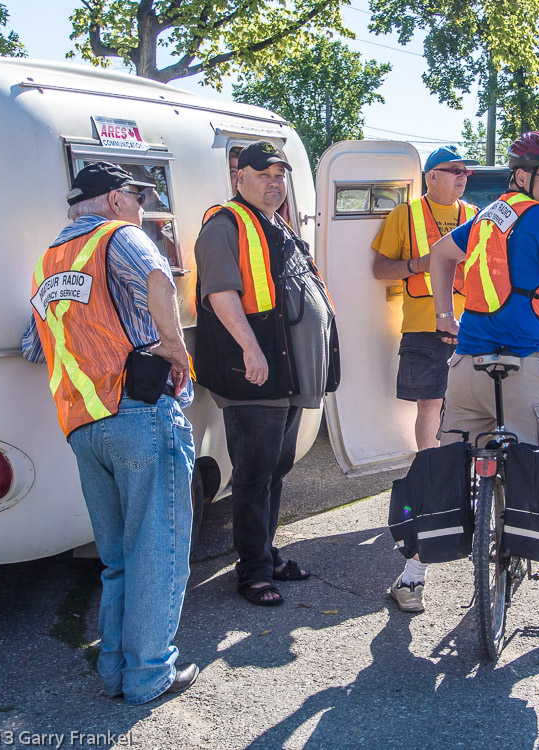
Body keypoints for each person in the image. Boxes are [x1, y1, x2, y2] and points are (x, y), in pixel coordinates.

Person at [389, 131, 539, 626]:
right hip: (522, 368)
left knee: (447, 467)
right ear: (522, 175)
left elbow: (441, 256)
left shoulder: (490, 215)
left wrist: (445, 315)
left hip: (467, 365)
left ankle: (411, 578)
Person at [22, 161, 199, 703]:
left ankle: (116, 671)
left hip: (82, 427)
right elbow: (158, 277)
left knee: (120, 558)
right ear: (115, 200)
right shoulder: (118, 236)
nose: (142, 207)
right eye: (138, 197)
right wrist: (173, 345)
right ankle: (149, 676)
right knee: (159, 548)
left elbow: (32, 346)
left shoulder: (45, 265)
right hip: (138, 413)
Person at [194, 141, 339, 606]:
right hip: (253, 373)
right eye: (264, 175)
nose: (275, 184)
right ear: (240, 178)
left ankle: (266, 553)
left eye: (280, 176)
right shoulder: (224, 226)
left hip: (286, 375)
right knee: (255, 475)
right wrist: (252, 350)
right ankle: (252, 572)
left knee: (276, 468)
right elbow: (221, 295)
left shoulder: (277, 225)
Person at [371, 146, 478, 450]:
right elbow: (380, 269)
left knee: (468, 406)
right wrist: (418, 264)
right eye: (455, 171)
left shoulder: (475, 216)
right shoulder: (404, 215)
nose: (463, 177)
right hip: (423, 327)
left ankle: (459, 465)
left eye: (465, 171)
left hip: (470, 325)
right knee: (430, 405)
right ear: (432, 176)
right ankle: (430, 471)